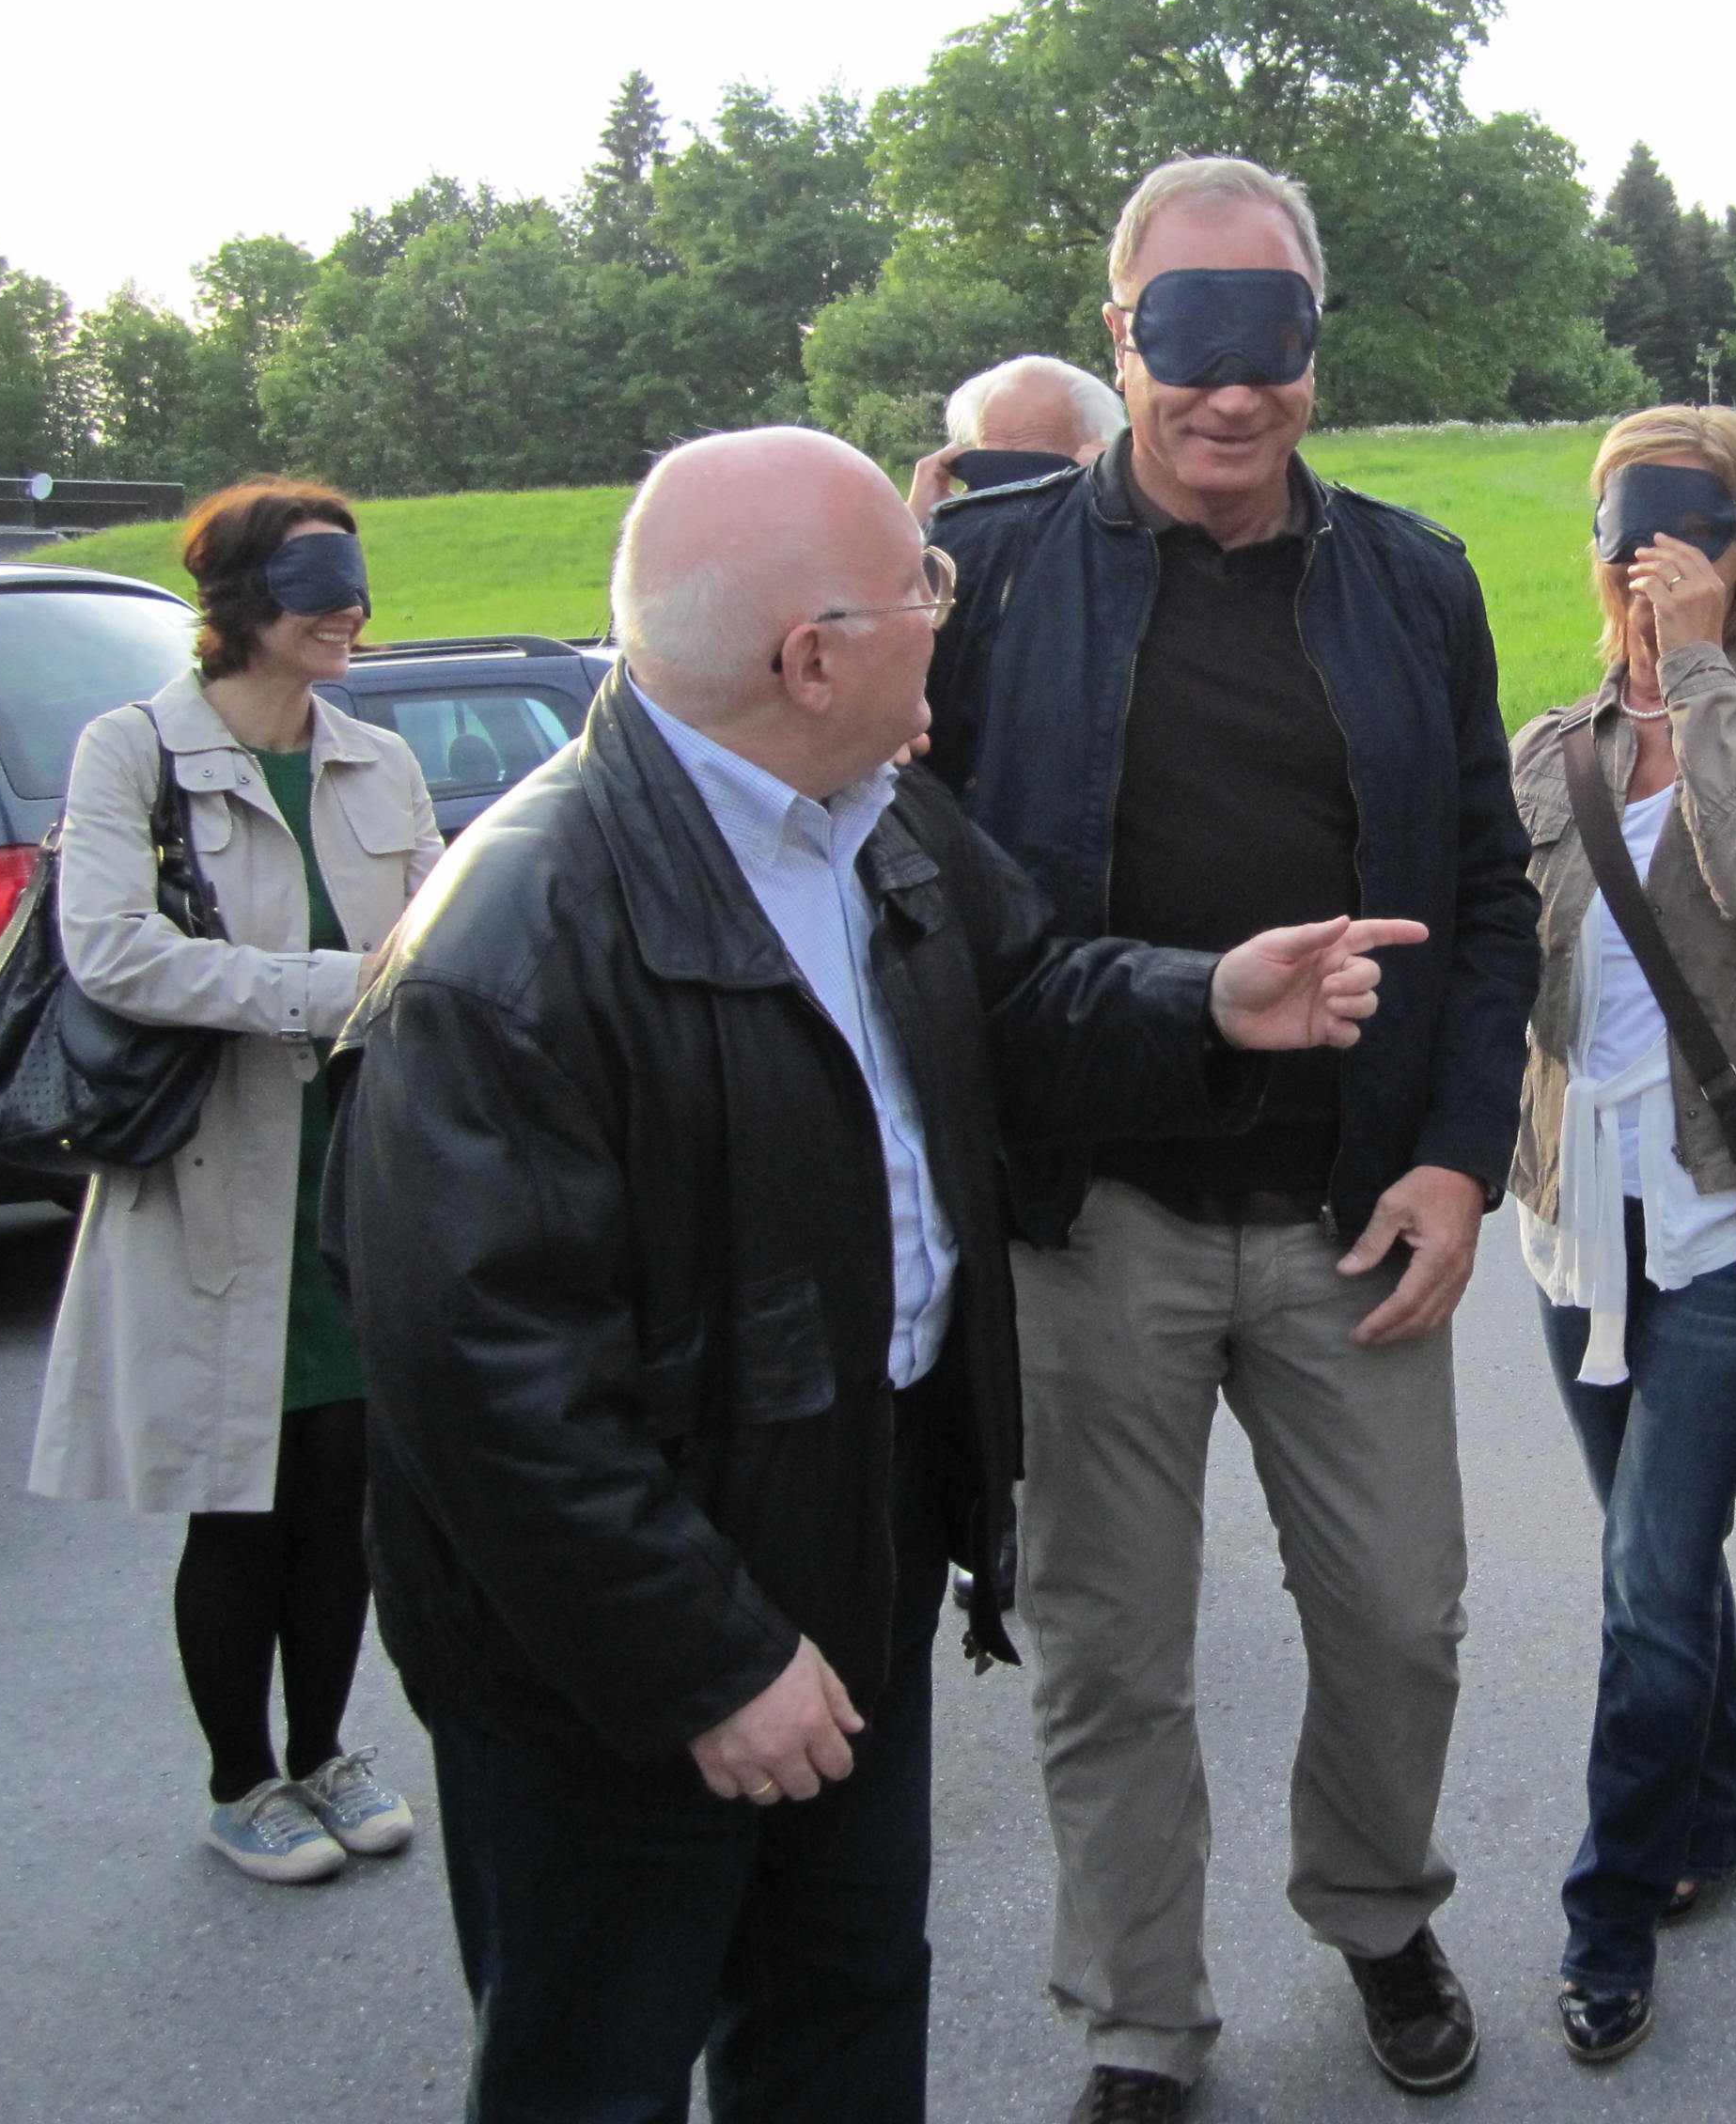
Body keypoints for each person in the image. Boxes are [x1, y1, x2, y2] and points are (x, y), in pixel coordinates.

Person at [323, 426, 1423, 2124]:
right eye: (922, 584)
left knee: (838, 2019)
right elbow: (488, 1389)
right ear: (811, 660)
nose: (948, 606)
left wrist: (1205, 1002)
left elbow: (1020, 1002)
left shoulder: (873, 816)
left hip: (851, 1548)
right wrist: (705, 1659)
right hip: (617, 1660)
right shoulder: (509, 946)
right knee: (594, 2065)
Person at [924, 156, 1537, 2122]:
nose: (1231, 389)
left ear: (1314, 349)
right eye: (1188, 340)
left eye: (1269, 339)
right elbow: (927, 906)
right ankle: (1140, 2019)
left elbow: (1490, 899)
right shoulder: (989, 584)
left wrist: (1460, 1159)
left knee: (1399, 1622)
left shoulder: (1413, 582)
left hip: (1356, 1214)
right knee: (1109, 1653)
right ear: (1122, 337)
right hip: (1094, 1217)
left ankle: (1375, 1907)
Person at [1503, 407, 1736, 2064]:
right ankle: (1717, 1809)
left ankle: (1609, 1911)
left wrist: (1703, 672)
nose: (1640, 551)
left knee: (1649, 1575)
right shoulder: (1547, 748)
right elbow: (1503, 963)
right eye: (1619, 517)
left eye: (1678, 520)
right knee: (1663, 1549)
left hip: (1727, 1218)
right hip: (1577, 1218)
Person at [29, 479, 444, 1882]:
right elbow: (112, 951)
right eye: (320, 583)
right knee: (243, 1493)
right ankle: (240, 1780)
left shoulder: (378, 762)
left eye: (356, 579)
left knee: (345, 1486)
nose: (351, 609)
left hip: (356, 1175)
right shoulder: (134, 752)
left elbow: (436, 936)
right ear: (242, 601)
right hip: (215, 1178)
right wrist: (330, 988)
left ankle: (323, 1751)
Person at [906, 353, 1127, 523]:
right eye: (992, 466)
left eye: (1034, 468)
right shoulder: (961, 537)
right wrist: (919, 528)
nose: (1011, 491)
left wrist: (1115, 505)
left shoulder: (1116, 532)